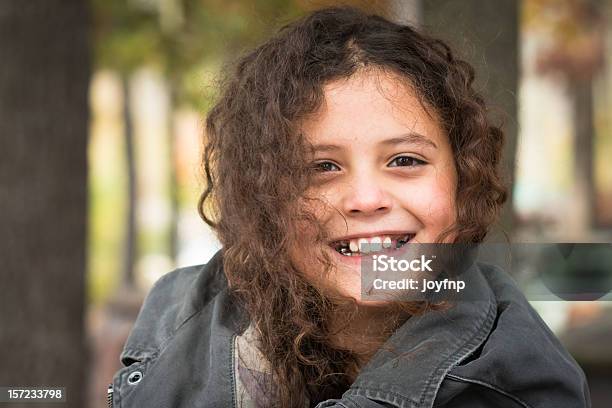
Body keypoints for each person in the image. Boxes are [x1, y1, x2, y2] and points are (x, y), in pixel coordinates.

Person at [107, 6, 590, 408]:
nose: (365, 200)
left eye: (404, 160)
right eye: (322, 168)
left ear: (463, 180)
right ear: (262, 195)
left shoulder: (522, 385)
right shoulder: (178, 319)